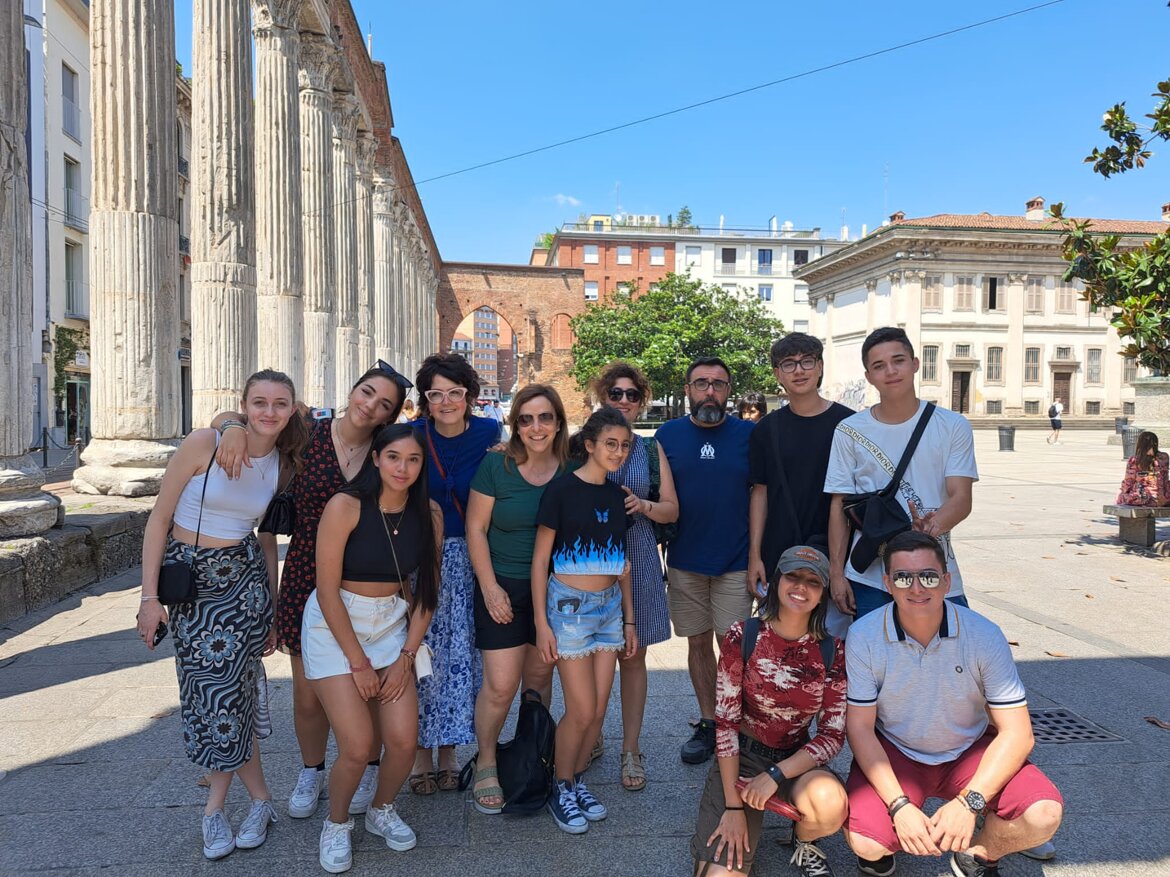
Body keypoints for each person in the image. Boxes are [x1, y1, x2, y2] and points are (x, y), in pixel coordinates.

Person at [212, 361, 409, 820]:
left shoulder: (384, 450)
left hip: (366, 575)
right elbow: (252, 416)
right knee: (307, 692)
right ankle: (312, 769)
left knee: (371, 684)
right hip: (305, 572)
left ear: (389, 416)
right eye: (366, 392)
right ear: (353, 389)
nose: (370, 405)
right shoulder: (307, 432)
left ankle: (368, 766)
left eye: (383, 404)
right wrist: (232, 427)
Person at [136, 370, 307, 860]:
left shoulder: (282, 464)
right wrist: (150, 599)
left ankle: (225, 808)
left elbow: (268, 539)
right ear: (244, 405)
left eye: (279, 403)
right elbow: (159, 518)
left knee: (233, 694)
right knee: (211, 696)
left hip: (245, 586)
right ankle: (247, 803)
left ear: (292, 410)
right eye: (259, 402)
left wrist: (273, 607)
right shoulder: (206, 442)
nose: (268, 412)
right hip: (193, 585)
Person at [844, 531, 1063, 877]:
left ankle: (980, 853)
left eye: (929, 576)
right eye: (903, 577)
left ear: (947, 581)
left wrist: (969, 803)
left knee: (1043, 816)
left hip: (969, 750)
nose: (917, 588)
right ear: (887, 583)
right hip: (899, 753)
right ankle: (889, 842)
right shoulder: (864, 636)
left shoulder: (984, 634)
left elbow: (1018, 734)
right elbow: (859, 729)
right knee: (868, 843)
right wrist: (899, 806)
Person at [306, 424, 442, 873]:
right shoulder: (345, 506)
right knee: (359, 744)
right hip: (335, 623)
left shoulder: (430, 515)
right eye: (394, 457)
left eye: (413, 459)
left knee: (403, 742)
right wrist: (359, 664)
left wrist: (406, 657)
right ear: (377, 459)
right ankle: (337, 823)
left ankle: (382, 809)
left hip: (391, 624)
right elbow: (326, 592)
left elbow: (426, 596)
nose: (403, 468)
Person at [691, 545, 848, 877]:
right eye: (792, 576)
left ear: (822, 594)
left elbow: (833, 736)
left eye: (813, 581)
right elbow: (726, 723)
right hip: (742, 757)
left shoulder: (831, 651)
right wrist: (733, 807)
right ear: (776, 581)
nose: (801, 587)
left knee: (830, 802)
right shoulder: (743, 635)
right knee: (717, 873)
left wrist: (776, 774)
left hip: (794, 760)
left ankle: (803, 841)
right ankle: (738, 816)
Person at [825, 327, 978, 623]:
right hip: (870, 573)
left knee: (950, 657)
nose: (890, 371)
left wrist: (929, 528)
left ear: (915, 364)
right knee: (876, 661)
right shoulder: (850, 430)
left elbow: (961, 497)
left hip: (933, 566)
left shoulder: (952, 426)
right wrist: (836, 574)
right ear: (869, 376)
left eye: (899, 361)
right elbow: (839, 505)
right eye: (879, 366)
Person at [465, 384, 570, 813]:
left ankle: (532, 752)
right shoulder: (496, 466)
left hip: (554, 589)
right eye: (525, 419)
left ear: (559, 422)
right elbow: (475, 529)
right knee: (501, 684)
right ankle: (487, 758)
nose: (535, 427)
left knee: (539, 682)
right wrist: (489, 588)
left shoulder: (573, 467)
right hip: (503, 583)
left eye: (544, 417)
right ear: (515, 425)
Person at [532, 406, 638, 834]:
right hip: (569, 609)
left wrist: (630, 620)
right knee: (579, 709)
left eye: (625, 445)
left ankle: (573, 780)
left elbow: (623, 564)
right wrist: (541, 624)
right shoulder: (560, 492)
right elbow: (541, 561)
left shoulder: (618, 498)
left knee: (597, 711)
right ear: (590, 445)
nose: (618, 452)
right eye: (610, 444)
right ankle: (560, 785)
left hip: (610, 608)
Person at [657, 357, 755, 765]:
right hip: (685, 560)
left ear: (729, 390)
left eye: (718, 383)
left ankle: (740, 725)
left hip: (736, 559)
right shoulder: (667, 435)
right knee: (697, 643)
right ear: (688, 390)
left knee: (734, 648)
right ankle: (709, 721)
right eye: (701, 383)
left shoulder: (751, 435)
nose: (710, 391)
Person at [590, 361, 680, 791]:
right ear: (602, 397)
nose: (624, 401)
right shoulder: (580, 444)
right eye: (616, 393)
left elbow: (672, 509)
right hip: (589, 559)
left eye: (632, 394)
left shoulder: (648, 449)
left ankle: (630, 747)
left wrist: (642, 506)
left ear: (642, 401)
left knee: (633, 654)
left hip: (638, 553)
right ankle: (589, 736)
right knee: (588, 657)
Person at [409, 354, 495, 793]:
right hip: (422, 558)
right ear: (425, 398)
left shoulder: (489, 433)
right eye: (436, 393)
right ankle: (419, 756)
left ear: (470, 396)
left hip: (472, 560)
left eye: (455, 393)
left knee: (462, 658)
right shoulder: (410, 436)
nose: (446, 402)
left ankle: (450, 752)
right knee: (420, 654)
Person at [747, 334, 852, 607]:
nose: (799, 370)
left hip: (835, 554)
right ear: (777, 374)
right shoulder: (766, 429)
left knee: (830, 642)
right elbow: (760, 494)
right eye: (788, 364)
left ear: (819, 367)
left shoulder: (849, 424)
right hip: (779, 554)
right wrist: (755, 556)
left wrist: (840, 570)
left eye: (806, 361)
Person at [1116, 430, 1169, 506]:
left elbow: (1129, 482)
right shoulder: (1164, 457)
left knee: (1119, 496)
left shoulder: (1134, 460)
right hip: (1164, 498)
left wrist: (1123, 493)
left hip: (1146, 499)